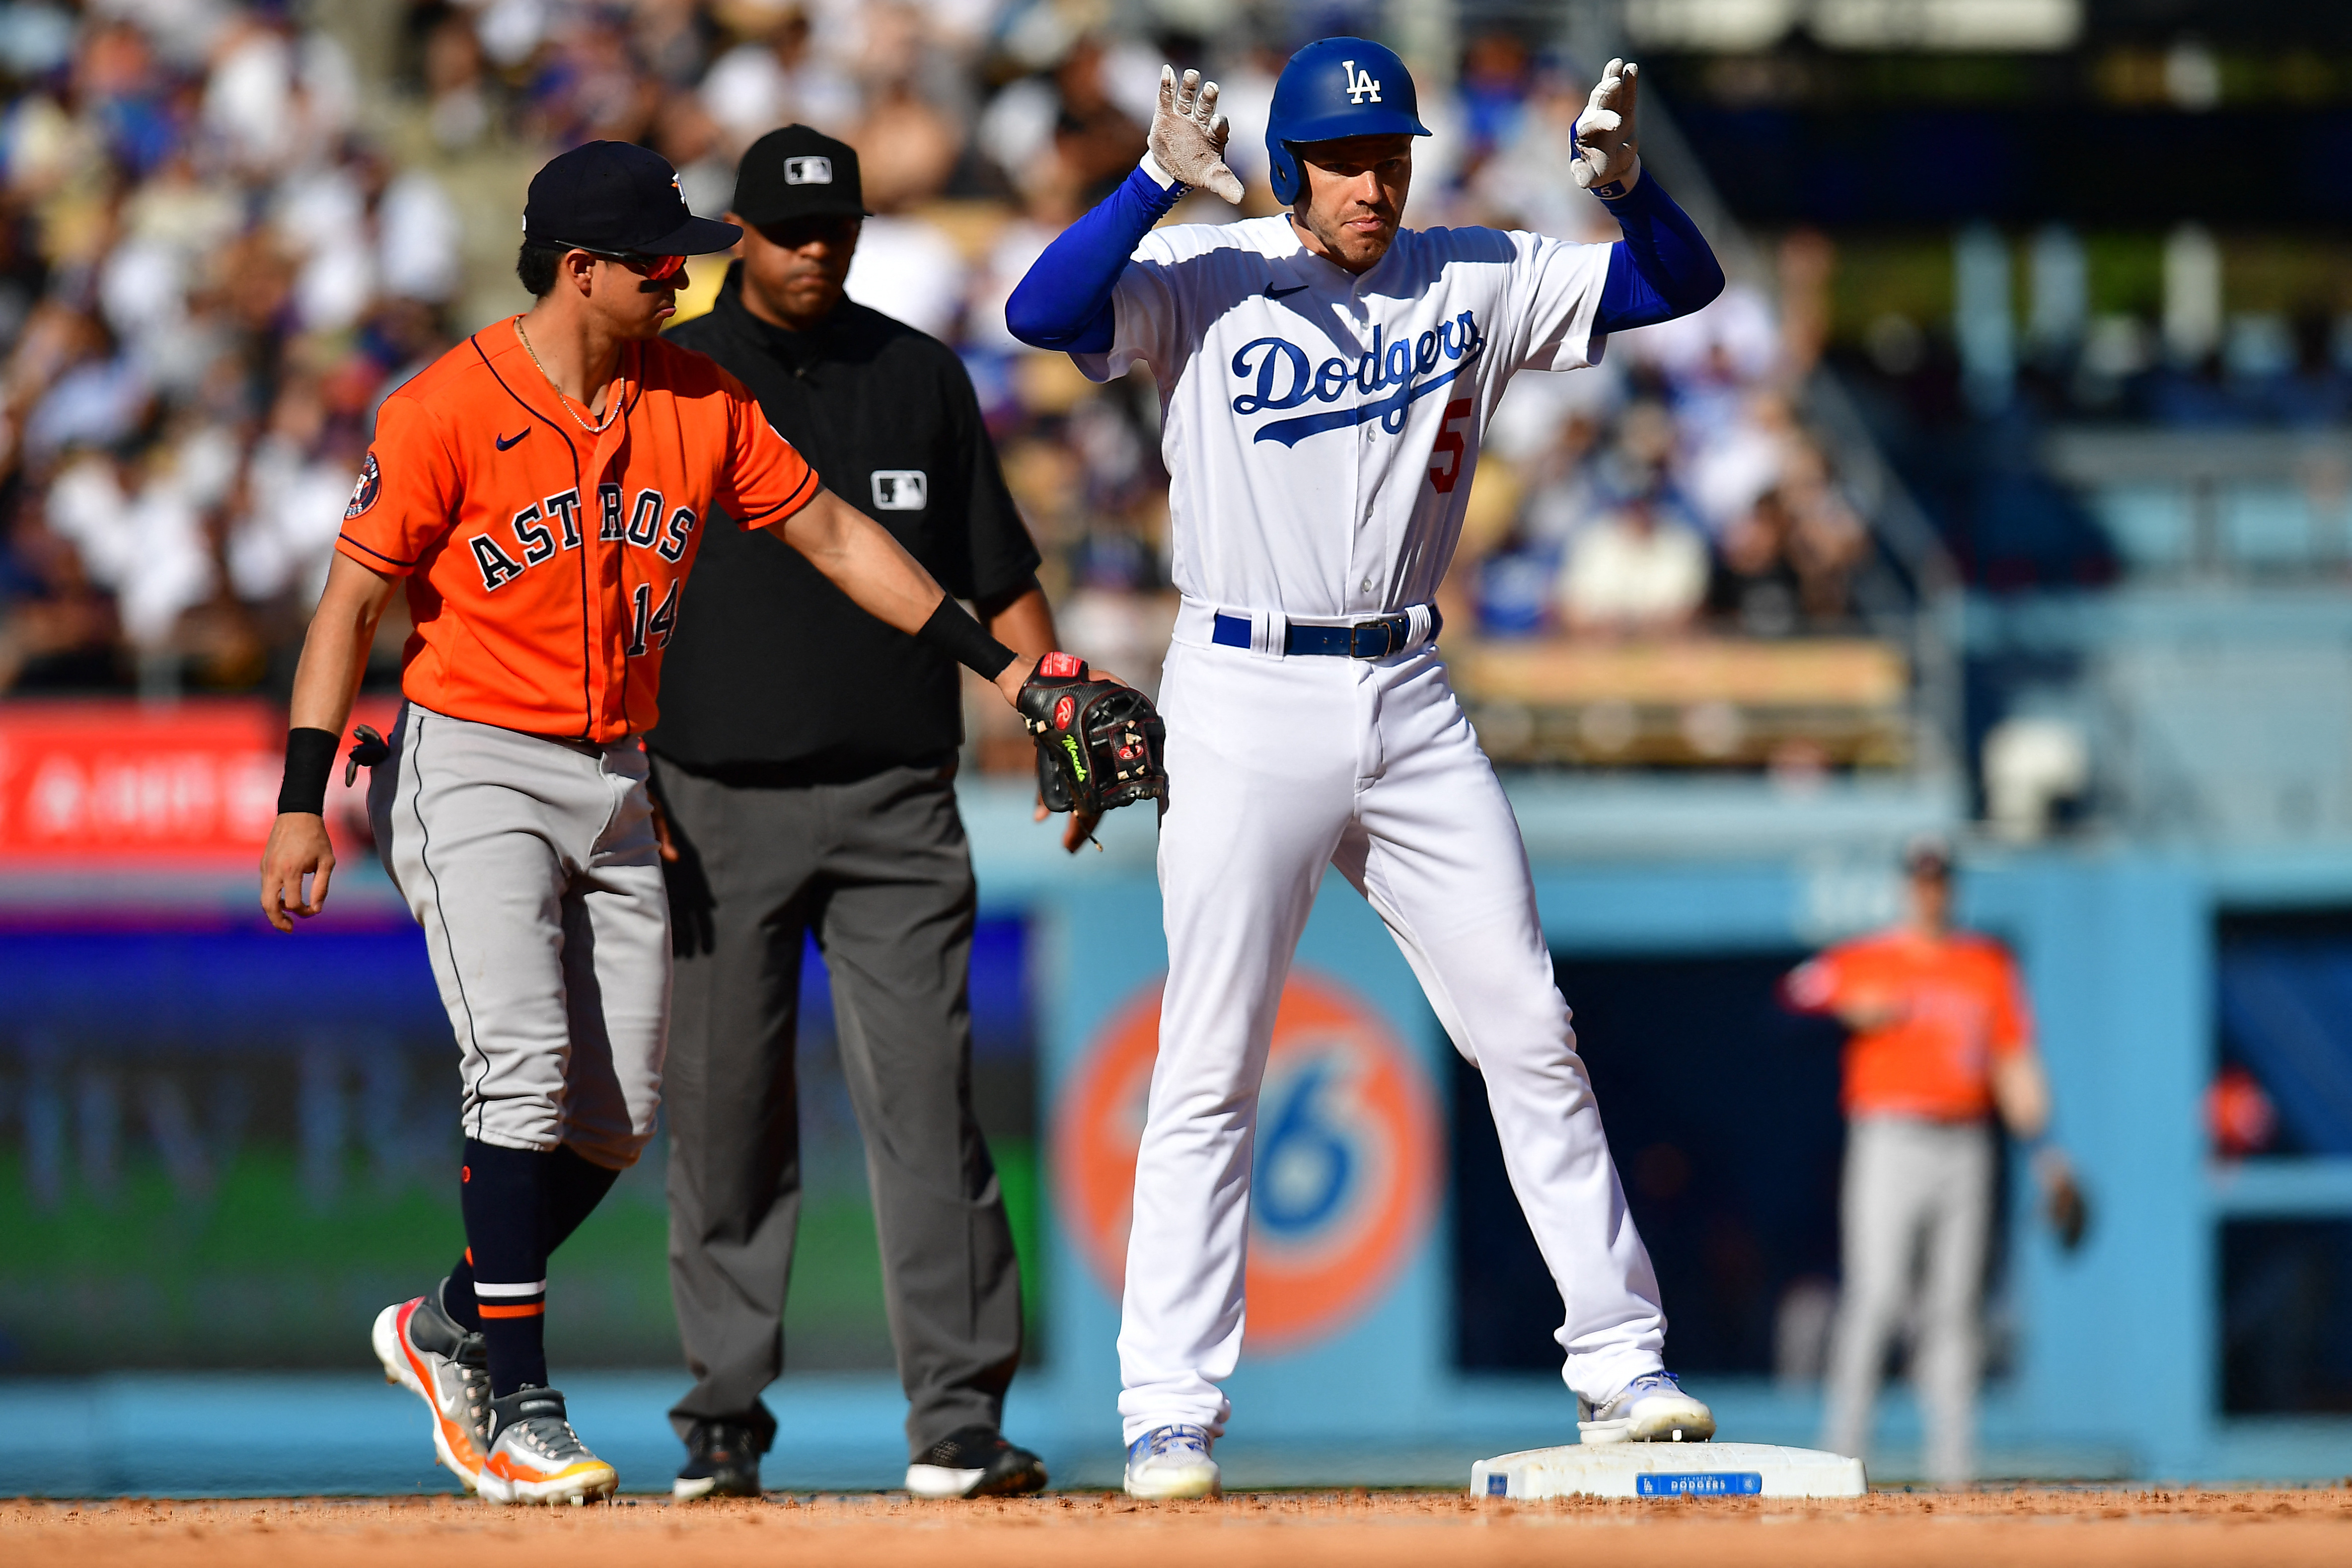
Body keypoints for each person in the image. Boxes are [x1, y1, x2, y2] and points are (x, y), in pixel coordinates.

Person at [255, 140, 1039, 1505]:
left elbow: (841, 540)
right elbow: (348, 607)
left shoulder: (697, 398)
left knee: (615, 1120)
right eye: (653, 259)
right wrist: (299, 798)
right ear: (581, 270)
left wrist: (1010, 667)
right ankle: (515, 1397)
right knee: (525, 1068)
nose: (680, 275)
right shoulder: (446, 406)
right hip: (475, 756)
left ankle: (447, 1316)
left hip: (614, 769)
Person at [1006, 42, 1727, 1497]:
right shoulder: (1210, 273)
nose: (1374, 180)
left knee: (1528, 1021)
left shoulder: (1469, 271)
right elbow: (1040, 311)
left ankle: (1620, 1359)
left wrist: (1632, 189)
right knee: (1210, 1060)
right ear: (1291, 170)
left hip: (1407, 690)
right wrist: (1151, 183)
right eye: (1345, 158)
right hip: (1242, 683)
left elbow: (1676, 286)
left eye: (1391, 151)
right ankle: (1169, 1406)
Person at [649, 126, 1060, 1503]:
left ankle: (956, 1419)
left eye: (834, 228)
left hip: (896, 794)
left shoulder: (919, 375)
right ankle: (722, 1415)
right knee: (723, 1115)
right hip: (712, 795)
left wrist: (1054, 721)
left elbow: (998, 575)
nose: (813, 249)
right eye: (786, 229)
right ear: (738, 233)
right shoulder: (667, 372)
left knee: (928, 1112)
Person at [1781, 837, 2080, 1483]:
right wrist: (1845, 1008)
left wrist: (2047, 1152)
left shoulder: (1984, 965)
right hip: (1890, 1135)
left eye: (1940, 880)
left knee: (1956, 1307)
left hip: (1967, 1142)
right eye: (1921, 880)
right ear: (1904, 887)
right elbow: (1788, 999)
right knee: (1878, 1295)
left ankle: (1955, 1471)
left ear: (1952, 888)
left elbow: (2014, 1062)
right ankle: (1838, 1462)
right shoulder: (1870, 957)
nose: (1931, 891)